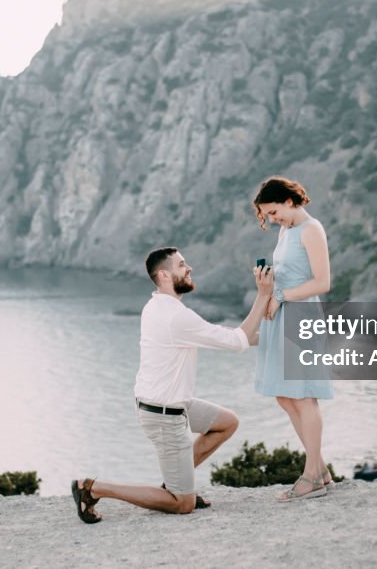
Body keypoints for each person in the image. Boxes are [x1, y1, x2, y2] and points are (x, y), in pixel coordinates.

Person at [72, 247, 274, 523]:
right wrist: (263, 295)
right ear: (165, 274)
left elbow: (221, 335)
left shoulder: (158, 306)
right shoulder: (176, 316)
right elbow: (234, 341)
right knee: (183, 505)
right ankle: (93, 488)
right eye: (182, 264)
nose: (189, 268)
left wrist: (270, 338)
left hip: (170, 404)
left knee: (226, 422)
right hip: (164, 415)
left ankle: (178, 481)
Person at [252, 176, 334, 502]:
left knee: (303, 397)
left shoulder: (312, 229)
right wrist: (267, 285)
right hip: (282, 315)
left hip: (301, 317)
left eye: (273, 212)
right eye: (268, 216)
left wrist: (281, 295)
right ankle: (321, 469)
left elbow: (322, 282)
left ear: (288, 200)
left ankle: (312, 475)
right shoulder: (287, 231)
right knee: (285, 397)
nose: (272, 220)